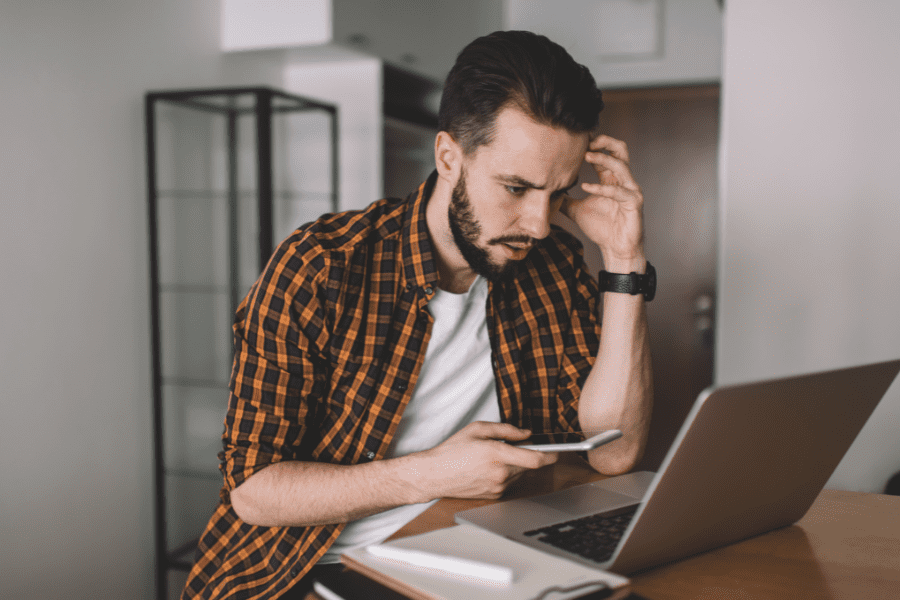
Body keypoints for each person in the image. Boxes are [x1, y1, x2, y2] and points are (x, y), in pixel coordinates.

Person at [181, 30, 653, 600]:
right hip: (319, 569)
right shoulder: (324, 266)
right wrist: (428, 474)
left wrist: (624, 261)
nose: (537, 223)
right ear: (449, 156)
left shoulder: (550, 263)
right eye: (515, 188)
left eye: (556, 195)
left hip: (480, 553)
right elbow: (254, 491)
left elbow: (614, 451)